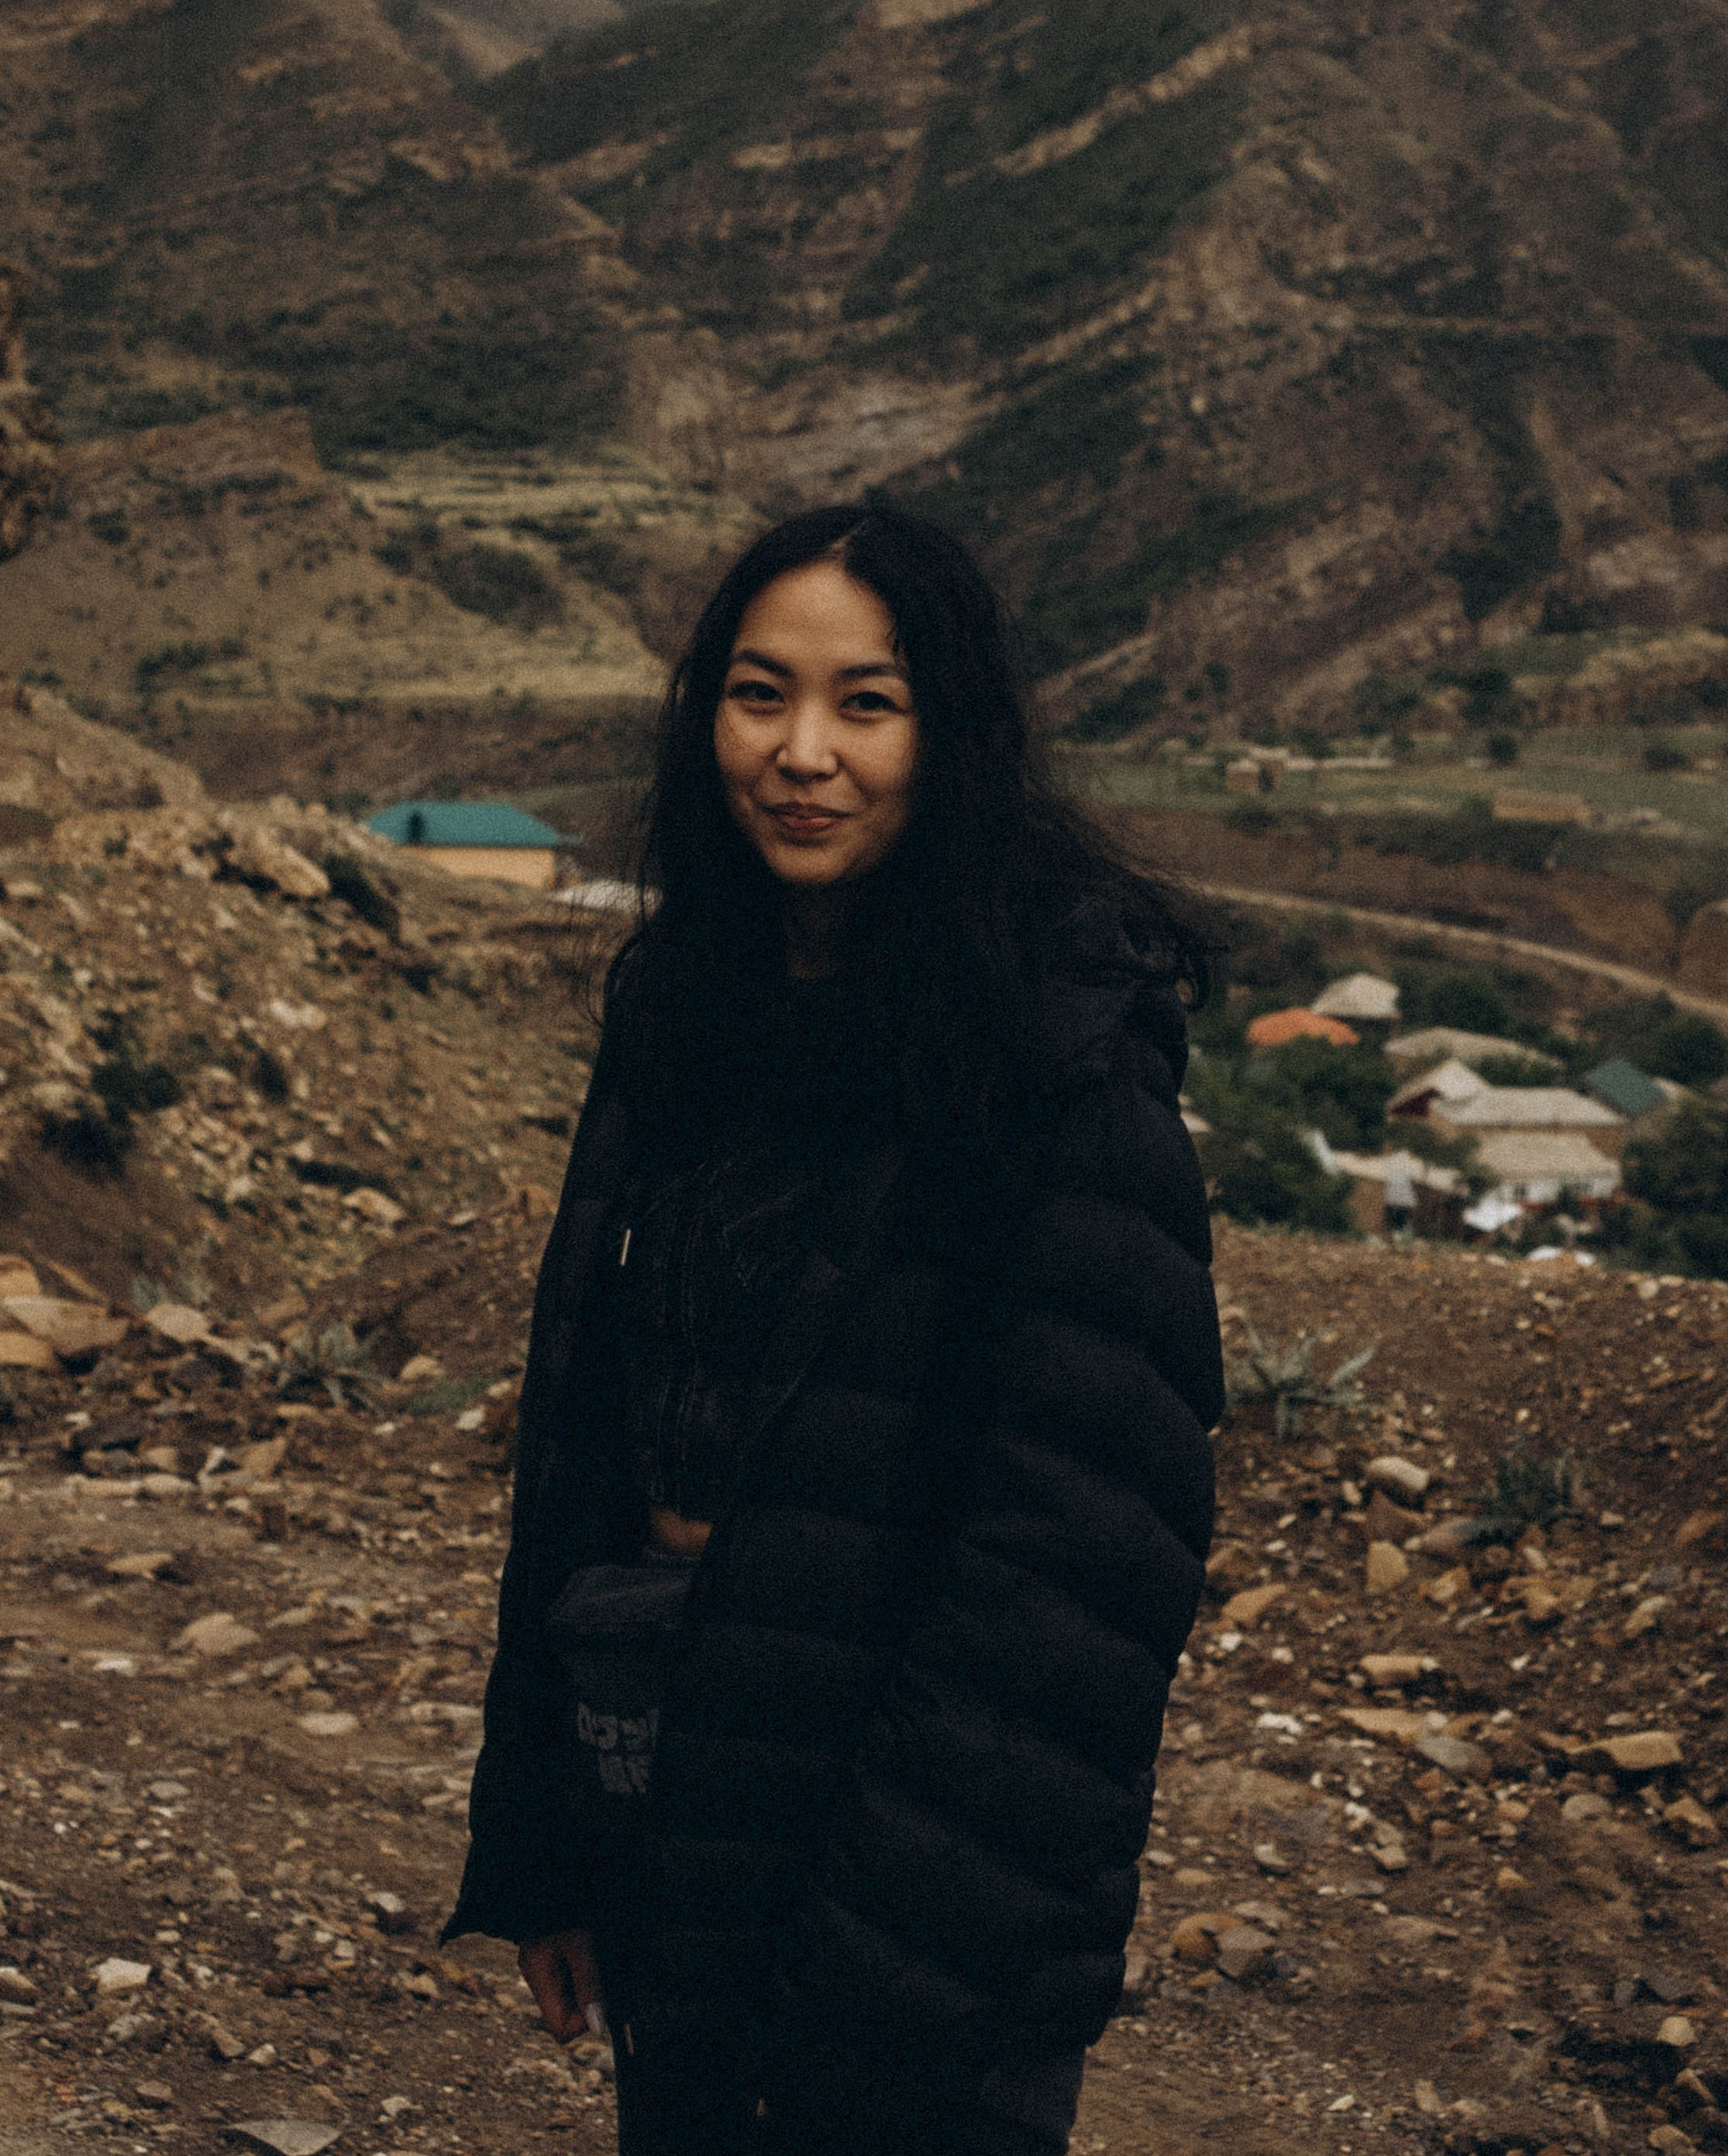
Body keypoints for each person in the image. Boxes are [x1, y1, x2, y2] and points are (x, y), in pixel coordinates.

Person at [447, 504, 1223, 2154]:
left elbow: (1076, 1577)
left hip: (923, 1910)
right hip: (679, 1819)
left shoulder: (1053, 1054)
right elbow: (583, 1440)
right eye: (757, 695)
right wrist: (553, 1851)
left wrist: (886, 1956)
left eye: (865, 703)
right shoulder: (686, 1009)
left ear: (951, 733)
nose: (801, 754)